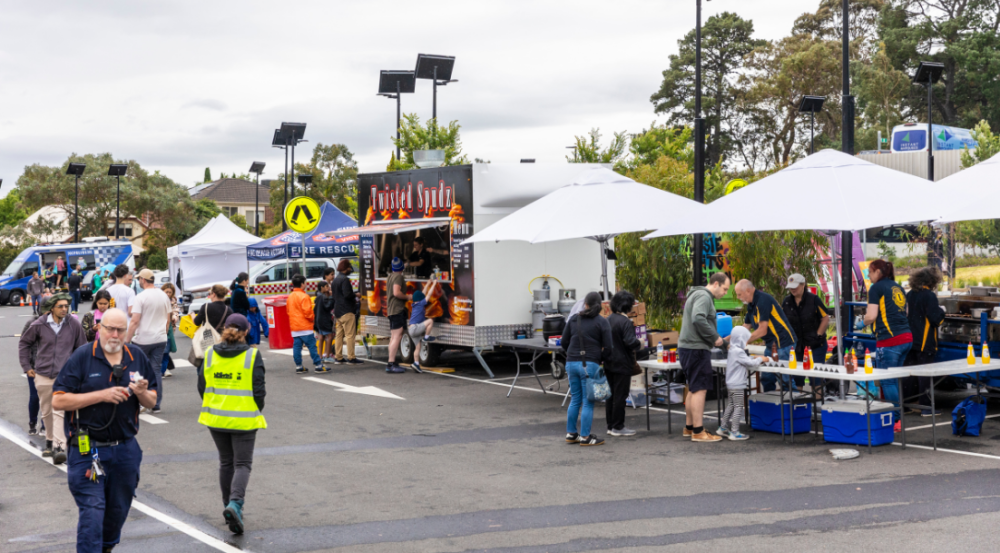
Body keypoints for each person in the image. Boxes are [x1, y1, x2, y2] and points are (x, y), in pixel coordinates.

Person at [52, 308, 158, 553]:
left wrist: (141, 391)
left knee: (118, 509)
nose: (115, 334)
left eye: (121, 330)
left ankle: (107, 547)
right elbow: (58, 400)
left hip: (125, 450)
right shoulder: (82, 356)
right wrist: (101, 395)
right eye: (110, 328)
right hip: (88, 450)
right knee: (93, 509)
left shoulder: (136, 356)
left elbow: (152, 400)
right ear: (99, 328)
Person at [198, 313, 266, 535]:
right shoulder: (252, 355)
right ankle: (235, 504)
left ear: (224, 329)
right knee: (242, 464)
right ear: (246, 331)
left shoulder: (209, 354)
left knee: (226, 462)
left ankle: (229, 504)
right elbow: (259, 391)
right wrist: (254, 408)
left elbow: (202, 386)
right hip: (244, 418)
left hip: (215, 418)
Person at [18, 293, 88, 463]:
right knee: (47, 411)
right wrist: (27, 367)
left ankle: (59, 447)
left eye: (66, 306)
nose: (64, 309)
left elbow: (83, 348)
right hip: (42, 374)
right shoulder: (39, 324)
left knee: (59, 411)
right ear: (52, 308)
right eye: (60, 306)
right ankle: (50, 443)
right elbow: (24, 343)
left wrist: (81, 371)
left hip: (64, 376)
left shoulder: (73, 324)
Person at [678, 272, 730, 443]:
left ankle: (690, 427)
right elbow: (698, 318)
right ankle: (698, 432)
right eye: (724, 289)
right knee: (699, 388)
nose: (725, 293)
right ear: (715, 283)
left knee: (693, 387)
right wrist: (714, 337)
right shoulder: (704, 296)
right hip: (696, 348)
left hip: (688, 347)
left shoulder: (696, 294)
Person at [862, 259, 911, 427]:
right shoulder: (898, 287)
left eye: (870, 271)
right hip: (906, 337)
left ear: (878, 272)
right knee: (894, 379)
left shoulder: (876, 288)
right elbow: (906, 312)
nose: (868, 275)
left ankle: (896, 418)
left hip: (890, 340)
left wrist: (862, 322)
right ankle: (895, 414)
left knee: (887, 381)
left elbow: (871, 316)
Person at [561, 292, 612, 447]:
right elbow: (609, 348)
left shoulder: (574, 319)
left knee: (575, 399)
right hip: (589, 365)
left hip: (571, 363)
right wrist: (598, 358)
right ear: (601, 305)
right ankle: (585, 436)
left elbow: (564, 343)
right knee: (588, 401)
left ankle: (571, 434)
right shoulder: (602, 322)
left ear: (586, 304)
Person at [736, 279, 797, 392]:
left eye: (739, 294)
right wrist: (727, 339)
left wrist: (743, 341)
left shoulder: (763, 300)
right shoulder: (751, 304)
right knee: (767, 378)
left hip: (784, 343)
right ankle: (770, 405)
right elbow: (745, 327)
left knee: (784, 379)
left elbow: (762, 330)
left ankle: (795, 407)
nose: (738, 297)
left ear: (748, 291)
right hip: (771, 345)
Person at [125, 269, 172, 414]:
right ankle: (156, 403)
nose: (138, 281)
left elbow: (134, 321)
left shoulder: (140, 297)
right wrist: (164, 332)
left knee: (138, 370)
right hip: (160, 337)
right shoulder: (164, 295)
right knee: (156, 369)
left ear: (143, 280)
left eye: (139, 279)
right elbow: (168, 318)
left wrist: (127, 340)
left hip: (143, 339)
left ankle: (140, 402)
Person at [904, 266, 944, 417]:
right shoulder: (929, 296)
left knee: (909, 374)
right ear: (932, 281)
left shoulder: (910, 294)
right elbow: (935, 318)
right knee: (925, 375)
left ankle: (905, 405)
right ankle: (926, 407)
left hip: (910, 339)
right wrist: (942, 313)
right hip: (925, 341)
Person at [781, 273, 830, 391]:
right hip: (797, 346)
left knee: (816, 377)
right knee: (797, 376)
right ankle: (799, 404)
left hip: (816, 345)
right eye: (790, 287)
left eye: (795, 286)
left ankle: (817, 403)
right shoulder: (787, 302)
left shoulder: (814, 300)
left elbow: (825, 318)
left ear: (803, 285)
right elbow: (782, 322)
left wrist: (818, 335)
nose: (792, 289)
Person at [606, 290, 643, 437]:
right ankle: (618, 426)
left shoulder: (608, 319)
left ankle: (610, 425)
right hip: (622, 363)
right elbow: (630, 342)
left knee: (611, 395)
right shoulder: (625, 322)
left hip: (609, 362)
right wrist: (639, 343)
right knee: (621, 396)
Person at [21, 298, 58, 436]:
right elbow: (24, 344)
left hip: (51, 368)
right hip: (34, 368)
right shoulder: (32, 323)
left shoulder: (58, 324)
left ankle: (44, 425)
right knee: (35, 397)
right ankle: (32, 422)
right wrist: (26, 365)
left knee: (48, 397)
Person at [719, 326, 759, 441]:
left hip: (731, 384)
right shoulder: (739, 351)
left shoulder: (732, 349)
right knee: (739, 406)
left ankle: (723, 427)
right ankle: (735, 431)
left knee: (731, 405)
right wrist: (762, 359)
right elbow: (750, 363)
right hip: (738, 384)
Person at [288, 274, 325, 374]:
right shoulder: (305, 296)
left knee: (297, 347)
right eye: (305, 282)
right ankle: (318, 365)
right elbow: (308, 313)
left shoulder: (290, 297)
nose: (306, 284)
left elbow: (288, 311)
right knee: (312, 347)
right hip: (305, 327)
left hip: (295, 327)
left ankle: (299, 366)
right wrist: (313, 319)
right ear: (302, 284)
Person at [194, 285, 232, 366]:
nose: (210, 296)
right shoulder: (228, 310)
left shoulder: (206, 307)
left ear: (214, 294)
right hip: (222, 342)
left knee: (203, 365)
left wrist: (192, 316)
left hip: (207, 341)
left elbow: (196, 322)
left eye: (210, 294)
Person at [332, 259, 362, 365]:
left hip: (338, 311)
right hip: (347, 310)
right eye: (349, 267)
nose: (350, 269)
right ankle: (351, 357)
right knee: (350, 335)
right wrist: (356, 295)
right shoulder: (344, 279)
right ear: (346, 268)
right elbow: (347, 294)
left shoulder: (335, 279)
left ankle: (338, 357)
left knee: (339, 335)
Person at [408, 281, 439, 373]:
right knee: (430, 321)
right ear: (420, 299)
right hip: (415, 328)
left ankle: (416, 364)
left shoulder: (415, 304)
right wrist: (434, 284)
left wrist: (428, 283)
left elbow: (423, 293)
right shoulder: (421, 304)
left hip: (411, 329)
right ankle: (426, 337)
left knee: (418, 347)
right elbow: (428, 294)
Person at [385, 257, 410, 374]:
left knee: (393, 336)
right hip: (397, 309)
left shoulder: (390, 276)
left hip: (391, 309)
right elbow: (396, 292)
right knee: (397, 336)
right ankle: (391, 363)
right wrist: (407, 297)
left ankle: (392, 362)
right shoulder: (399, 277)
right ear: (402, 267)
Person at [161, 283, 180, 378]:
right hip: (160, 326)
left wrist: (175, 316)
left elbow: (176, 310)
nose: (168, 294)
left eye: (170, 292)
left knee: (166, 348)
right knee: (163, 348)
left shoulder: (173, 300)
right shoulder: (158, 299)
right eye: (166, 292)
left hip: (170, 327)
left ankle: (165, 368)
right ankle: (165, 368)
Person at [313, 280, 335, 363]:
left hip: (318, 319)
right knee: (330, 336)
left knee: (321, 336)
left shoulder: (318, 296)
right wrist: (332, 298)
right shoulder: (323, 297)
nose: (328, 288)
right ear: (321, 287)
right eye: (326, 286)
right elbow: (328, 307)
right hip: (324, 319)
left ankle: (320, 356)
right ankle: (328, 355)